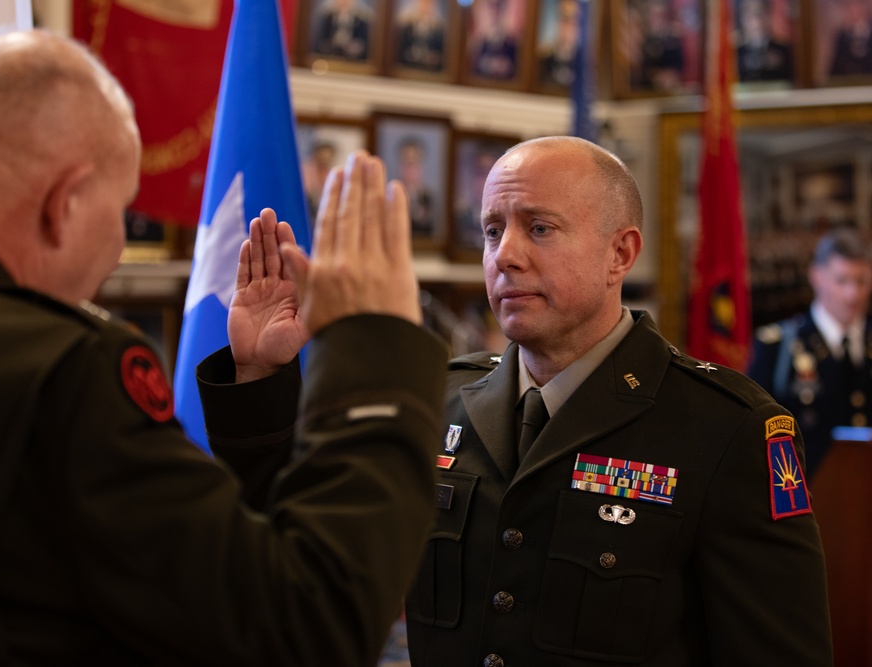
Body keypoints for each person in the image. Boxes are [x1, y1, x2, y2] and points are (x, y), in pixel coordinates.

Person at [0, 29, 449, 665]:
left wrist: (256, 381)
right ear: (64, 204)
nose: (119, 248)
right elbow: (301, 625)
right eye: (120, 210)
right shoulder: (64, 370)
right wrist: (374, 360)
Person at [203, 136, 833, 665]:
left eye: (539, 228)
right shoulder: (435, 398)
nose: (504, 256)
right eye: (492, 230)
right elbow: (291, 555)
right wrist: (260, 370)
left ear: (621, 252)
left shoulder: (727, 428)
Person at [748, 227, 872, 477]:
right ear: (817, 276)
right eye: (842, 280)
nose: (852, 294)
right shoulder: (778, 347)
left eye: (861, 281)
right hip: (805, 496)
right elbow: (753, 432)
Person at [736, 0, 794, 83]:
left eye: (759, 14)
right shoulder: (736, 54)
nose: (755, 20)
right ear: (742, 19)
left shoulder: (784, 51)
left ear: (768, 16)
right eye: (749, 14)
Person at [536, 0, 581, 89]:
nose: (567, 26)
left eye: (573, 21)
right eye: (564, 19)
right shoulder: (545, 58)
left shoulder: (582, 61)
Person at [394, 0, 446, 72]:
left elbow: (442, 54)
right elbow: (398, 50)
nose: (425, 5)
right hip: (407, 70)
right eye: (422, 2)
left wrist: (435, 58)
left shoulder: (439, 29)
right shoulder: (406, 25)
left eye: (428, 2)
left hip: (430, 72)